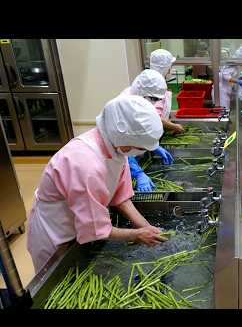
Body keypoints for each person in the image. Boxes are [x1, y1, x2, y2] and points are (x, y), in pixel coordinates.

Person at [27, 96, 169, 273]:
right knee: (64, 283)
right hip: (56, 231)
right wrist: (136, 235)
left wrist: (146, 227)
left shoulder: (116, 150)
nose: (140, 152)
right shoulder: (86, 164)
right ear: (123, 136)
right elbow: (96, 228)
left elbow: (121, 198)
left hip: (81, 226)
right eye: (140, 148)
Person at [119, 69, 174, 192]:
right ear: (143, 92)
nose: (155, 103)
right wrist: (137, 173)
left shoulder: (139, 101)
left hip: (128, 152)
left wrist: (154, 146)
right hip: (119, 158)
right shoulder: (125, 106)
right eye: (153, 98)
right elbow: (121, 145)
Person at [149, 49, 184, 134]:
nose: (171, 69)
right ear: (167, 68)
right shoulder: (156, 87)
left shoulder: (150, 81)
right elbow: (154, 117)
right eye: (170, 67)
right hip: (152, 133)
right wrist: (174, 126)